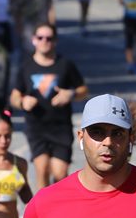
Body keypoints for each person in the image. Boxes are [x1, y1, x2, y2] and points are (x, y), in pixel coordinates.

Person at [9, 22, 88, 189]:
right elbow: (14, 96)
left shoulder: (65, 65)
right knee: (42, 168)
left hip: (60, 127)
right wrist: (23, 102)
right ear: (34, 40)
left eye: (49, 38)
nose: (45, 41)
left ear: (55, 41)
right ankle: (43, 211)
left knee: (60, 175)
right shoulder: (26, 66)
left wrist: (70, 94)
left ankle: (58, 210)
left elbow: (83, 90)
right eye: (40, 37)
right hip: (36, 127)